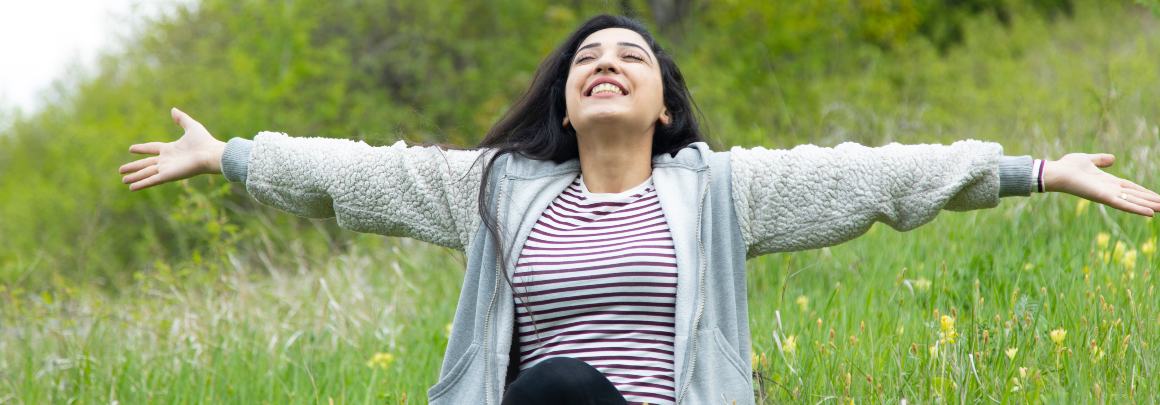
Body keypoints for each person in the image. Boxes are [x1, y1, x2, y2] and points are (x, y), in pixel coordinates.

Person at [119, 14, 1158, 405]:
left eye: (630, 59)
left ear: (663, 110)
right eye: (587, 60)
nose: (606, 67)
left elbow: (874, 176)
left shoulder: (718, 193)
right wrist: (233, 156)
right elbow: (362, 174)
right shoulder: (493, 192)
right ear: (565, 106)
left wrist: (1030, 170)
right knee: (554, 393)